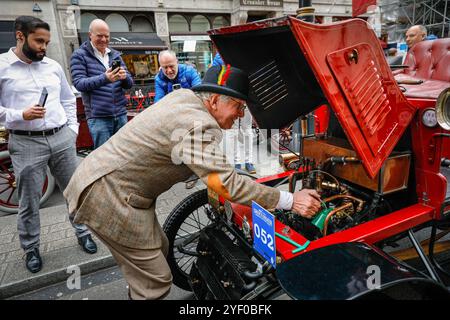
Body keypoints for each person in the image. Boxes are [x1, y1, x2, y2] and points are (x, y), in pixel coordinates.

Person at [63, 65, 322, 300]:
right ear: (214, 101)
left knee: (160, 248)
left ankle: (137, 284)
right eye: (239, 107)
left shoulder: (184, 98)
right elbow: (226, 184)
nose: (241, 115)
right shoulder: (199, 125)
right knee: (155, 281)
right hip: (108, 196)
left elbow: (191, 157)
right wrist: (291, 200)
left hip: (106, 181)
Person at [0, 16, 97, 273]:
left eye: (47, 42)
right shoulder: (1, 67)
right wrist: (20, 115)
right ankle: (31, 248)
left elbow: (68, 99)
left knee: (74, 191)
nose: (44, 46)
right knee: (29, 200)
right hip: (25, 142)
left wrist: (72, 131)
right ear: (20, 36)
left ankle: (83, 232)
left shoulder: (53, 66)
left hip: (61, 137)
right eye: (39, 41)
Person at [70, 19, 133, 149]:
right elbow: (79, 83)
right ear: (90, 35)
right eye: (100, 36)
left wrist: (124, 77)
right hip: (98, 117)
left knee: (124, 153)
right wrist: (105, 78)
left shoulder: (115, 55)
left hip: (120, 114)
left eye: (106, 36)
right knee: (104, 158)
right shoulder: (79, 55)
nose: (104, 39)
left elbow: (129, 84)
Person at [213, 53, 257, 173]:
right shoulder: (219, 57)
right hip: (230, 99)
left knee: (247, 130)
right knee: (233, 132)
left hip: (246, 97)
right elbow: (217, 78)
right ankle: (237, 161)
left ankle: (249, 161)